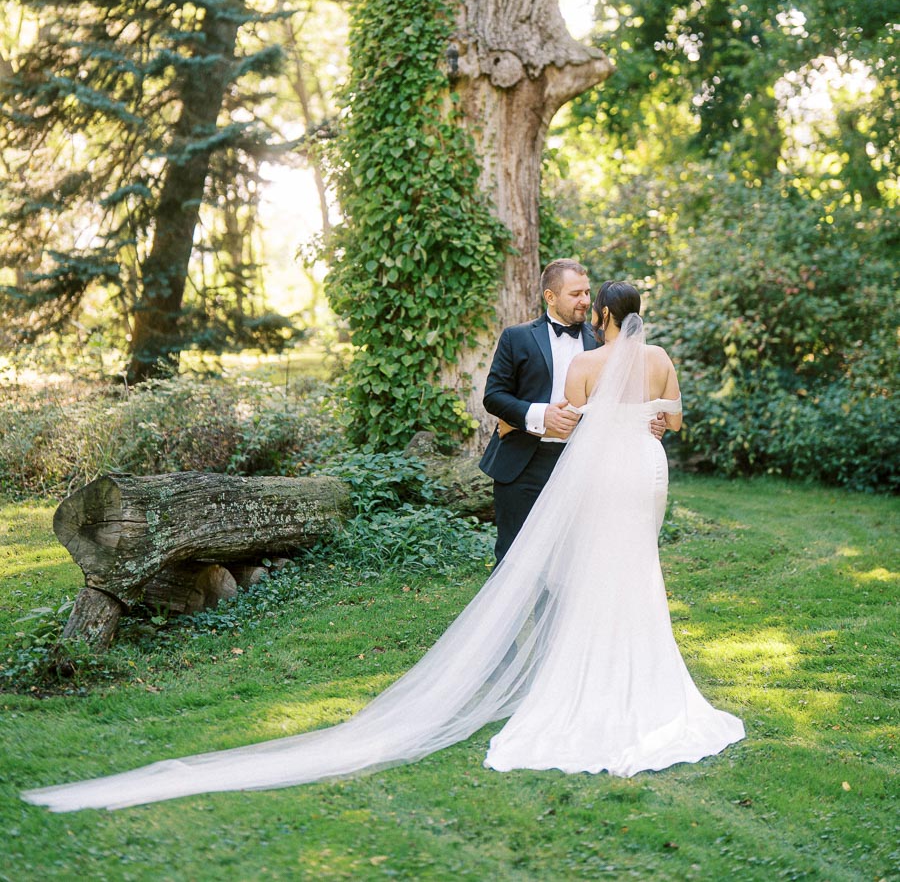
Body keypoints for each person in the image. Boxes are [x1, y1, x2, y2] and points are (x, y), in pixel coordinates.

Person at [22, 281, 744, 813]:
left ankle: (576, 677)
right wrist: (627, 424)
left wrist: (590, 426)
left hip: (599, 477)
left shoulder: (589, 359)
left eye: (595, 300)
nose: (586, 307)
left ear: (605, 315)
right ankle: (624, 676)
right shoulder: (631, 355)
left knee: (597, 574)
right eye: (576, 292)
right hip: (634, 474)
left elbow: (582, 424)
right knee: (625, 572)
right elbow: (661, 418)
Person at [480, 258, 665, 561]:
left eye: (587, 293)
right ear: (550, 297)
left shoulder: (605, 341)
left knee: (574, 560)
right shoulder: (517, 337)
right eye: (575, 294)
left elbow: (632, 391)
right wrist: (541, 416)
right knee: (514, 557)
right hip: (525, 461)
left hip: (587, 464)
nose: (584, 301)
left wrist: (651, 419)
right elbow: (494, 396)